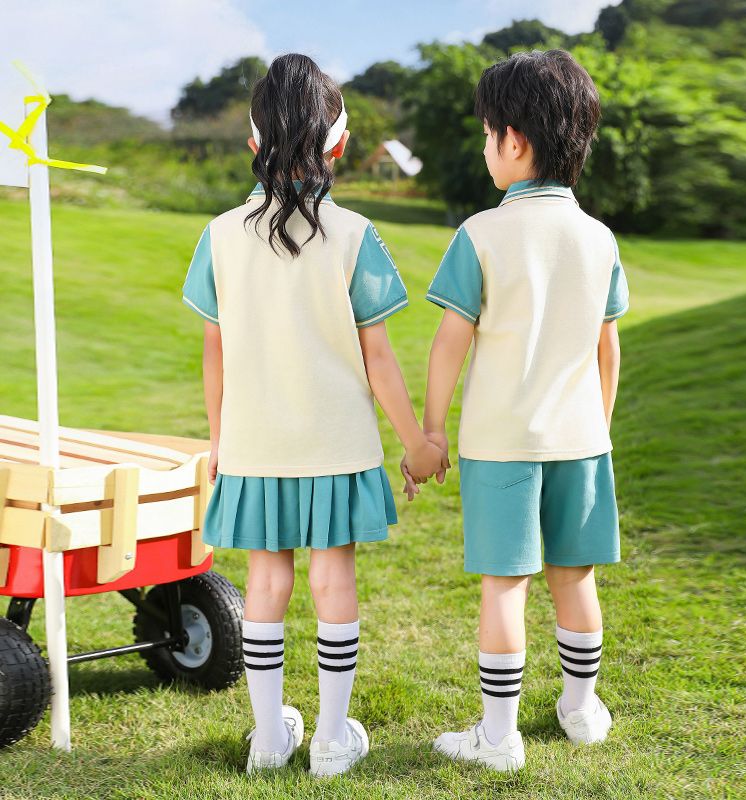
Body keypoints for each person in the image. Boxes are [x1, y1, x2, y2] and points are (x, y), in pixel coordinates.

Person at [181, 53, 446, 778]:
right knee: (334, 583)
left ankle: (269, 738)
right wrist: (418, 442)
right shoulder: (356, 235)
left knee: (265, 586)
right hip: (337, 445)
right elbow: (380, 361)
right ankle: (331, 739)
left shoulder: (219, 235)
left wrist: (218, 439)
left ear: (252, 144)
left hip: (256, 445)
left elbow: (216, 355)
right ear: (339, 146)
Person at [405, 49, 630, 772]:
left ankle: (499, 738)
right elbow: (608, 350)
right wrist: (599, 424)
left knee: (507, 583)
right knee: (576, 577)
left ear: (515, 141)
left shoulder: (480, 234)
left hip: (501, 443)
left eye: (485, 131)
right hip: (580, 439)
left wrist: (432, 432)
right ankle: (580, 709)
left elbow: (448, 345)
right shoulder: (600, 239)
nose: (483, 145)